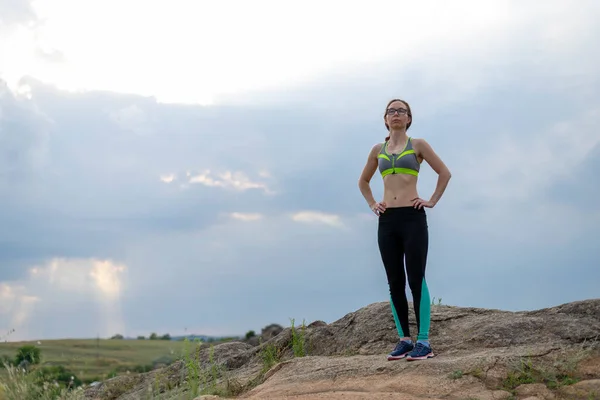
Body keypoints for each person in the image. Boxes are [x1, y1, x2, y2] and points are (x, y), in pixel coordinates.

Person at [358, 99, 451, 361]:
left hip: (413, 217)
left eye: (401, 111)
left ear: (409, 118)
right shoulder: (378, 149)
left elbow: (444, 173)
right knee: (394, 280)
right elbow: (363, 181)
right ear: (385, 119)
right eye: (391, 111)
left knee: (416, 278)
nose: (396, 114)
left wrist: (431, 200)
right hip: (387, 220)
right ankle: (404, 340)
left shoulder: (418, 145)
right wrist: (372, 203)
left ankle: (424, 342)